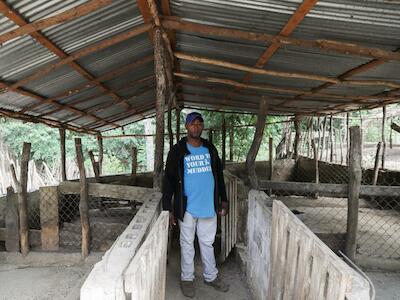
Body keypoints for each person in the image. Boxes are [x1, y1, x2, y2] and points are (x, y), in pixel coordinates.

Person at [162, 111, 230, 298]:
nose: (196, 127)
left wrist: (224, 199)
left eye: (199, 124)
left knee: (207, 243)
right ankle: (187, 278)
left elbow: (219, 176)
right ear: (186, 126)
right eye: (193, 124)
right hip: (186, 207)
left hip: (209, 205)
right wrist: (168, 208)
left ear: (202, 127)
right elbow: (168, 180)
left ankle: (211, 276)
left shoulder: (210, 148)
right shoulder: (177, 151)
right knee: (186, 243)